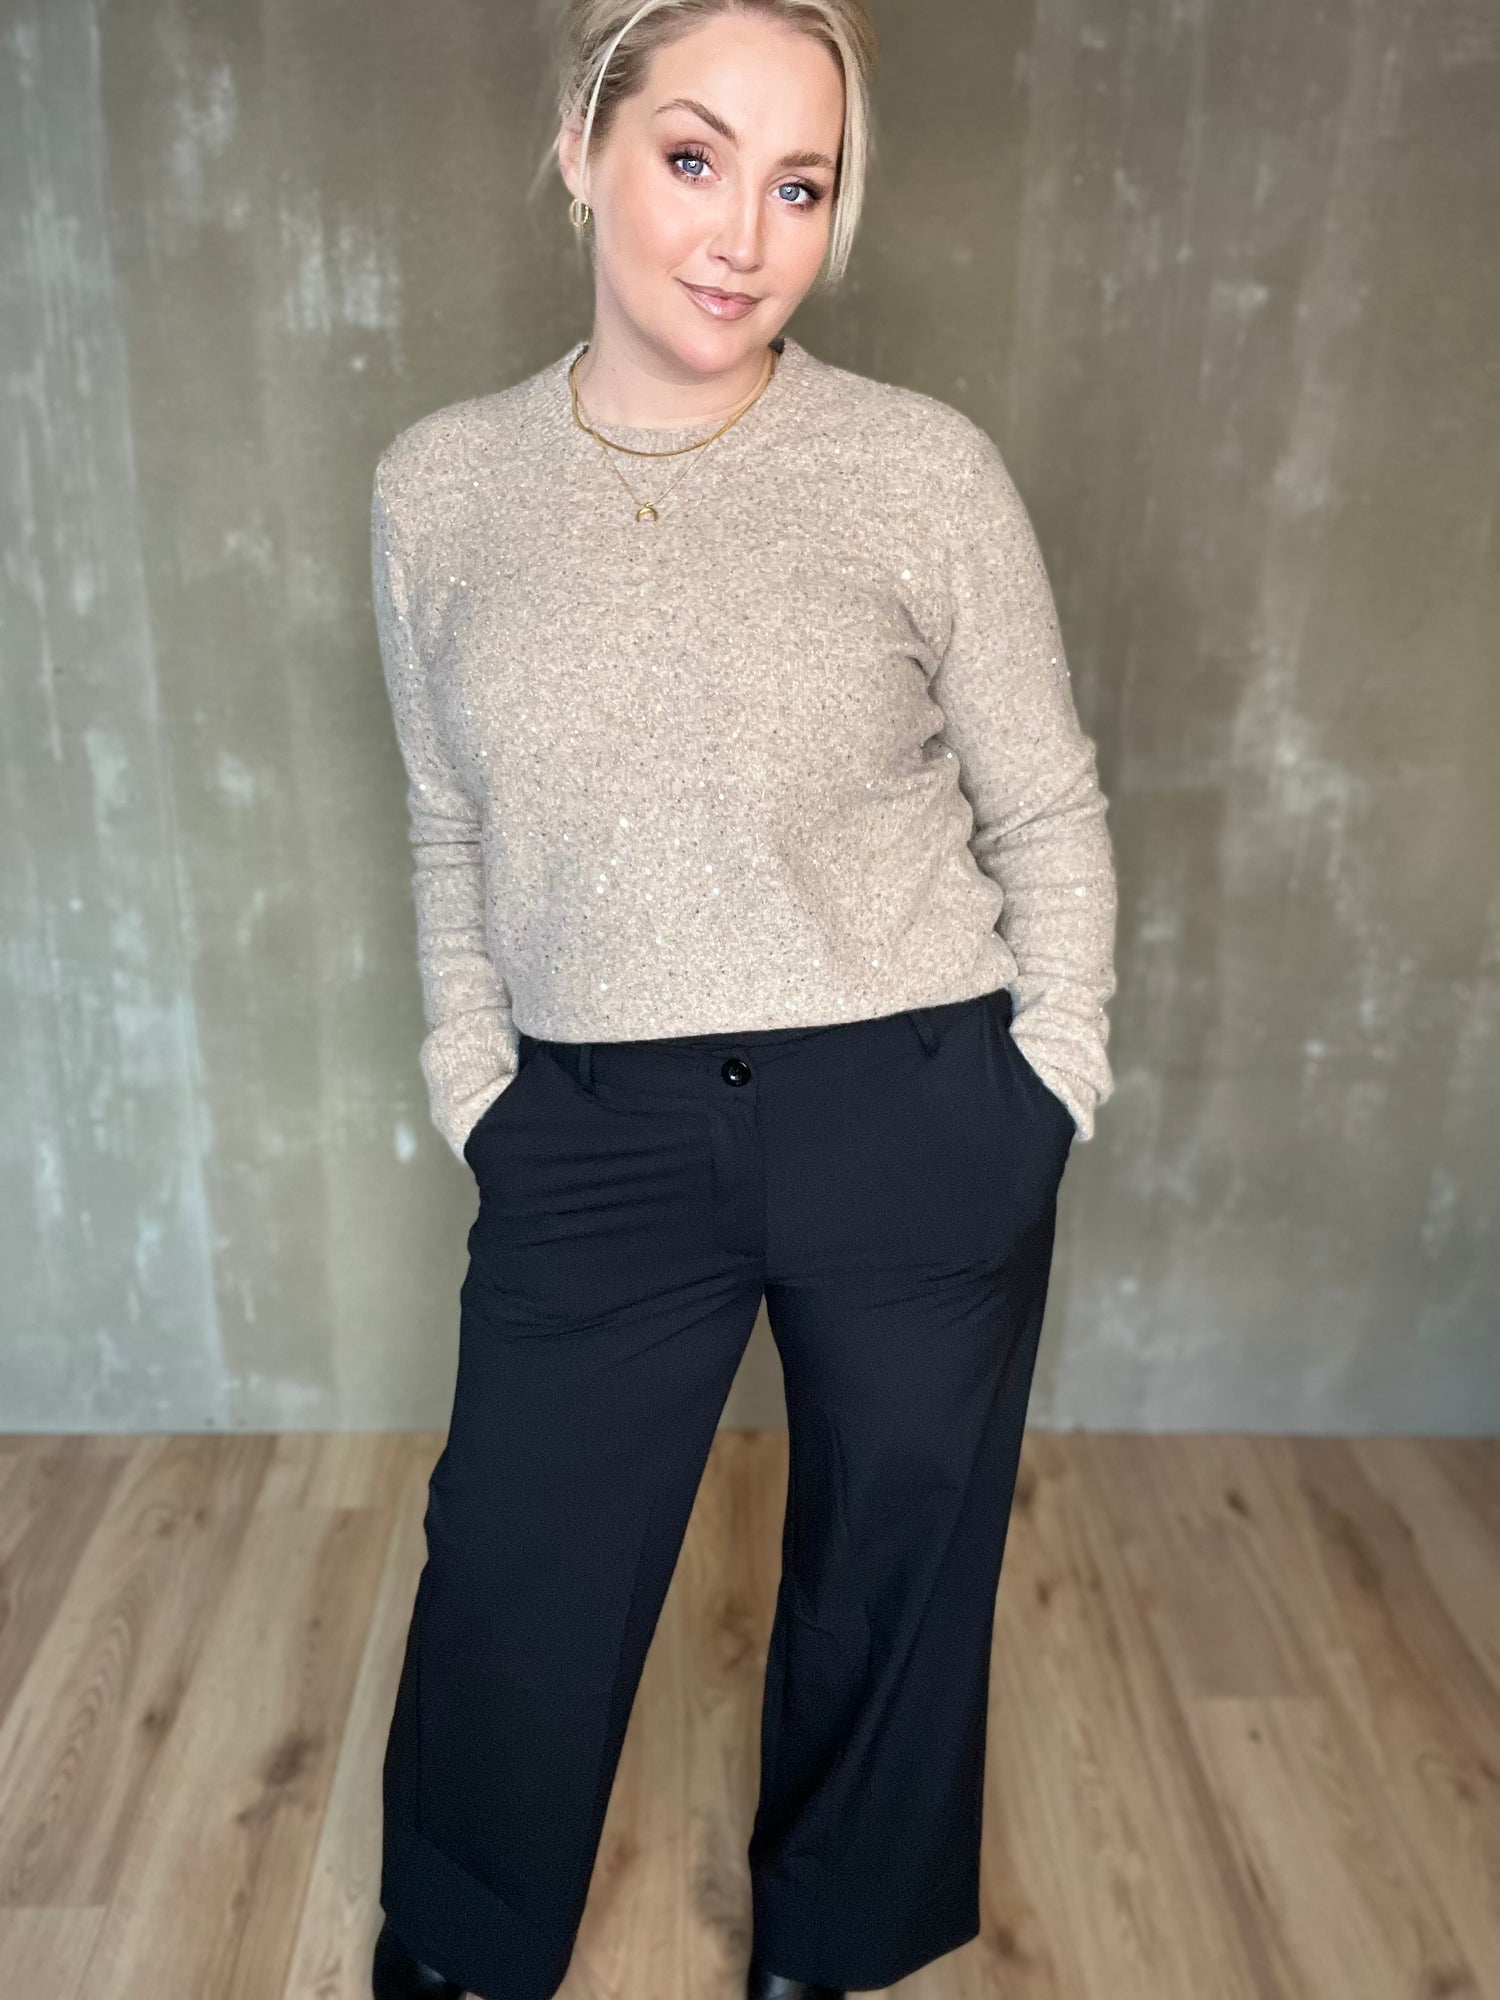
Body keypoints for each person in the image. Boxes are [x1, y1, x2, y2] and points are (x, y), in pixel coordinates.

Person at [369, 3, 1117, 1996]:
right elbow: (448, 822)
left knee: (893, 1563)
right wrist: (476, 1078)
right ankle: (460, 1946)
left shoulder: (918, 470)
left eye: (800, 184)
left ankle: (826, 1950)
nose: (744, 235)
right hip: (594, 1127)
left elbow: (1045, 805)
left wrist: (1046, 1078)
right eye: (695, 157)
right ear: (582, 144)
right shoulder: (441, 489)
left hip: (916, 1104)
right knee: (517, 1566)